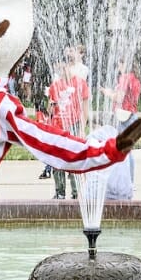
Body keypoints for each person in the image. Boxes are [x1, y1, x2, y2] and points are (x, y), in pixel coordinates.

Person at [48, 61, 89, 199]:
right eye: (58, 69)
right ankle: (59, 191)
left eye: (62, 68)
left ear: (69, 66)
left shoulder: (80, 83)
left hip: (74, 125)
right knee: (57, 159)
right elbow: (51, 109)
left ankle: (76, 192)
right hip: (58, 126)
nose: (60, 71)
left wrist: (82, 128)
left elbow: (85, 107)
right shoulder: (55, 85)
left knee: (73, 158)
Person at [100, 59, 141, 182]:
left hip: (123, 117)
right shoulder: (135, 78)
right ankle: (129, 181)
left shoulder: (125, 77)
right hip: (132, 115)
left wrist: (108, 93)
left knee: (123, 152)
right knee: (128, 151)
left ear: (124, 64)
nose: (117, 66)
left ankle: (126, 181)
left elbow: (119, 98)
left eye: (119, 63)